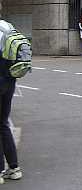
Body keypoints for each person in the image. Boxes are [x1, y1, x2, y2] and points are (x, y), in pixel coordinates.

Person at [0, 20, 22, 183]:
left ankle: (0, 171)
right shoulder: (8, 26)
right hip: (10, 80)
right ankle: (14, 168)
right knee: (3, 123)